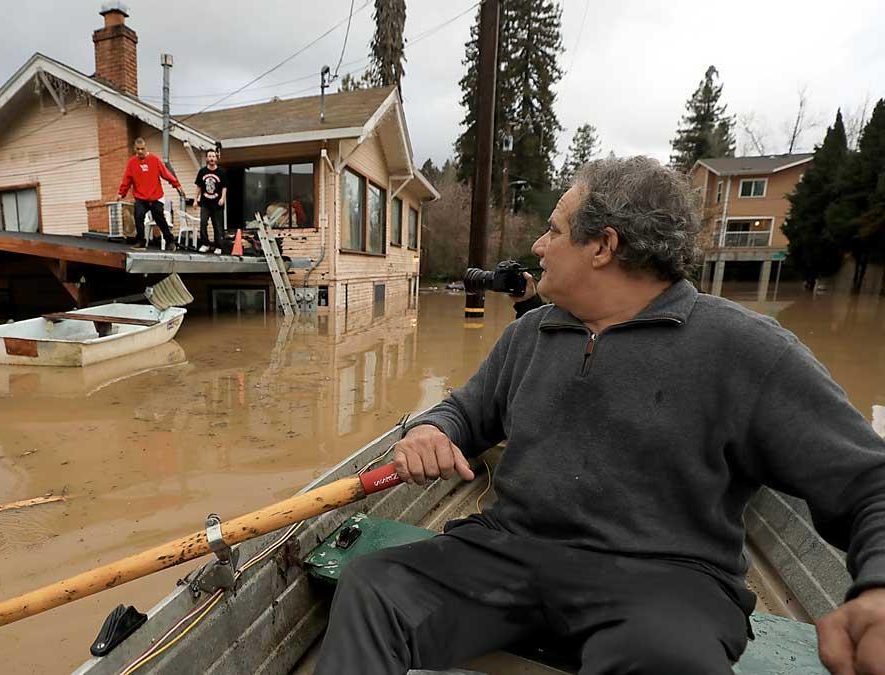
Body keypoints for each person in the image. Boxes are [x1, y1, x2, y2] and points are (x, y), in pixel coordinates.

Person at [315, 156, 885, 675]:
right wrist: (431, 430)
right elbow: (465, 411)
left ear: (603, 246)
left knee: (667, 661)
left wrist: (878, 590)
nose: (539, 245)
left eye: (555, 230)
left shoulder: (748, 349)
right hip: (511, 549)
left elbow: (869, 482)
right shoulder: (531, 334)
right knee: (372, 588)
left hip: (665, 578)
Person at [116, 138, 184, 251]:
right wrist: (121, 194)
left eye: (142, 149)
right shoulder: (132, 163)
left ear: (146, 148)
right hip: (141, 197)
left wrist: (176, 185)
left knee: (159, 217)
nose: (140, 151)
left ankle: (170, 241)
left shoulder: (154, 160)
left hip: (156, 196)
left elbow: (166, 174)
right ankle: (141, 241)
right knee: (138, 216)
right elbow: (127, 180)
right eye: (138, 149)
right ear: (135, 149)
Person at [194, 149, 226, 253]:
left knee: (217, 225)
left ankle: (218, 246)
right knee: (203, 223)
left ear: (216, 158)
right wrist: (195, 200)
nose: (211, 158)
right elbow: (199, 186)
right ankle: (205, 244)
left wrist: (222, 198)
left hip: (217, 204)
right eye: (209, 156)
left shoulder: (221, 172)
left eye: (213, 156)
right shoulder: (202, 172)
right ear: (207, 158)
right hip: (205, 203)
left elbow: (224, 187)